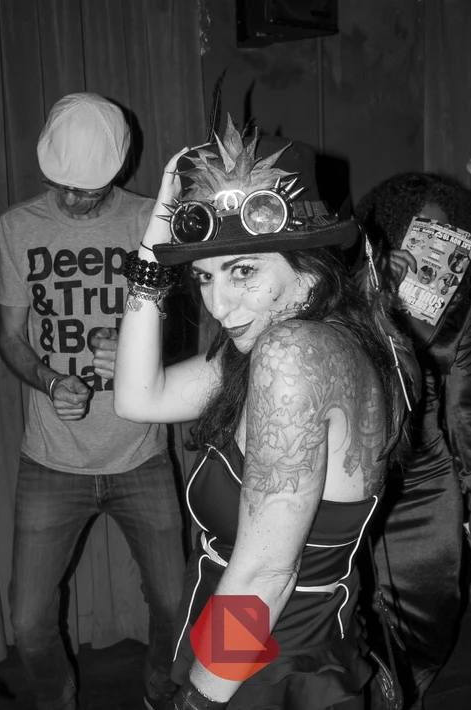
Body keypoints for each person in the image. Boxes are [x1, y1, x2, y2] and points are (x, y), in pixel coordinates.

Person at [114, 118, 416, 710]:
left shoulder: (292, 355)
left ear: (309, 266)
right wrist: (153, 251)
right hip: (256, 646)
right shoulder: (304, 344)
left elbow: (266, 576)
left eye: (244, 271)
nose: (218, 305)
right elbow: (137, 398)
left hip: (263, 668)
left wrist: (199, 700)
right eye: (203, 276)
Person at [0, 93, 187, 710]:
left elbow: (187, 330)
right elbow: (9, 335)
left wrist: (139, 351)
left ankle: (160, 691)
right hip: (51, 459)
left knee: (174, 604)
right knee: (27, 621)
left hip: (141, 456)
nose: (75, 200)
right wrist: (51, 381)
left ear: (119, 167)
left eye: (90, 189)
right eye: (63, 187)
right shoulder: (17, 228)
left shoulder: (151, 222)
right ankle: (58, 701)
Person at [356, 171, 471, 709]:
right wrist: (373, 290)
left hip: (427, 478)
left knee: (435, 608)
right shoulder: (354, 287)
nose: (435, 247)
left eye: (449, 236)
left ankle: (408, 694)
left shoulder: (460, 311)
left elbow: (462, 403)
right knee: (362, 615)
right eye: (421, 232)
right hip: (361, 471)